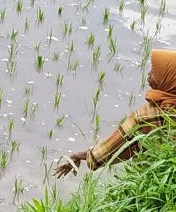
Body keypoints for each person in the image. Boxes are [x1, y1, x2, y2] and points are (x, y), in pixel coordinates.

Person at [56, 48, 176, 176]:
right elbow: (129, 148)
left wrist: (78, 156)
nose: (149, 74)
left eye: (155, 71)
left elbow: (107, 151)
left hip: (153, 179)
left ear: (166, 78)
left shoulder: (146, 115)